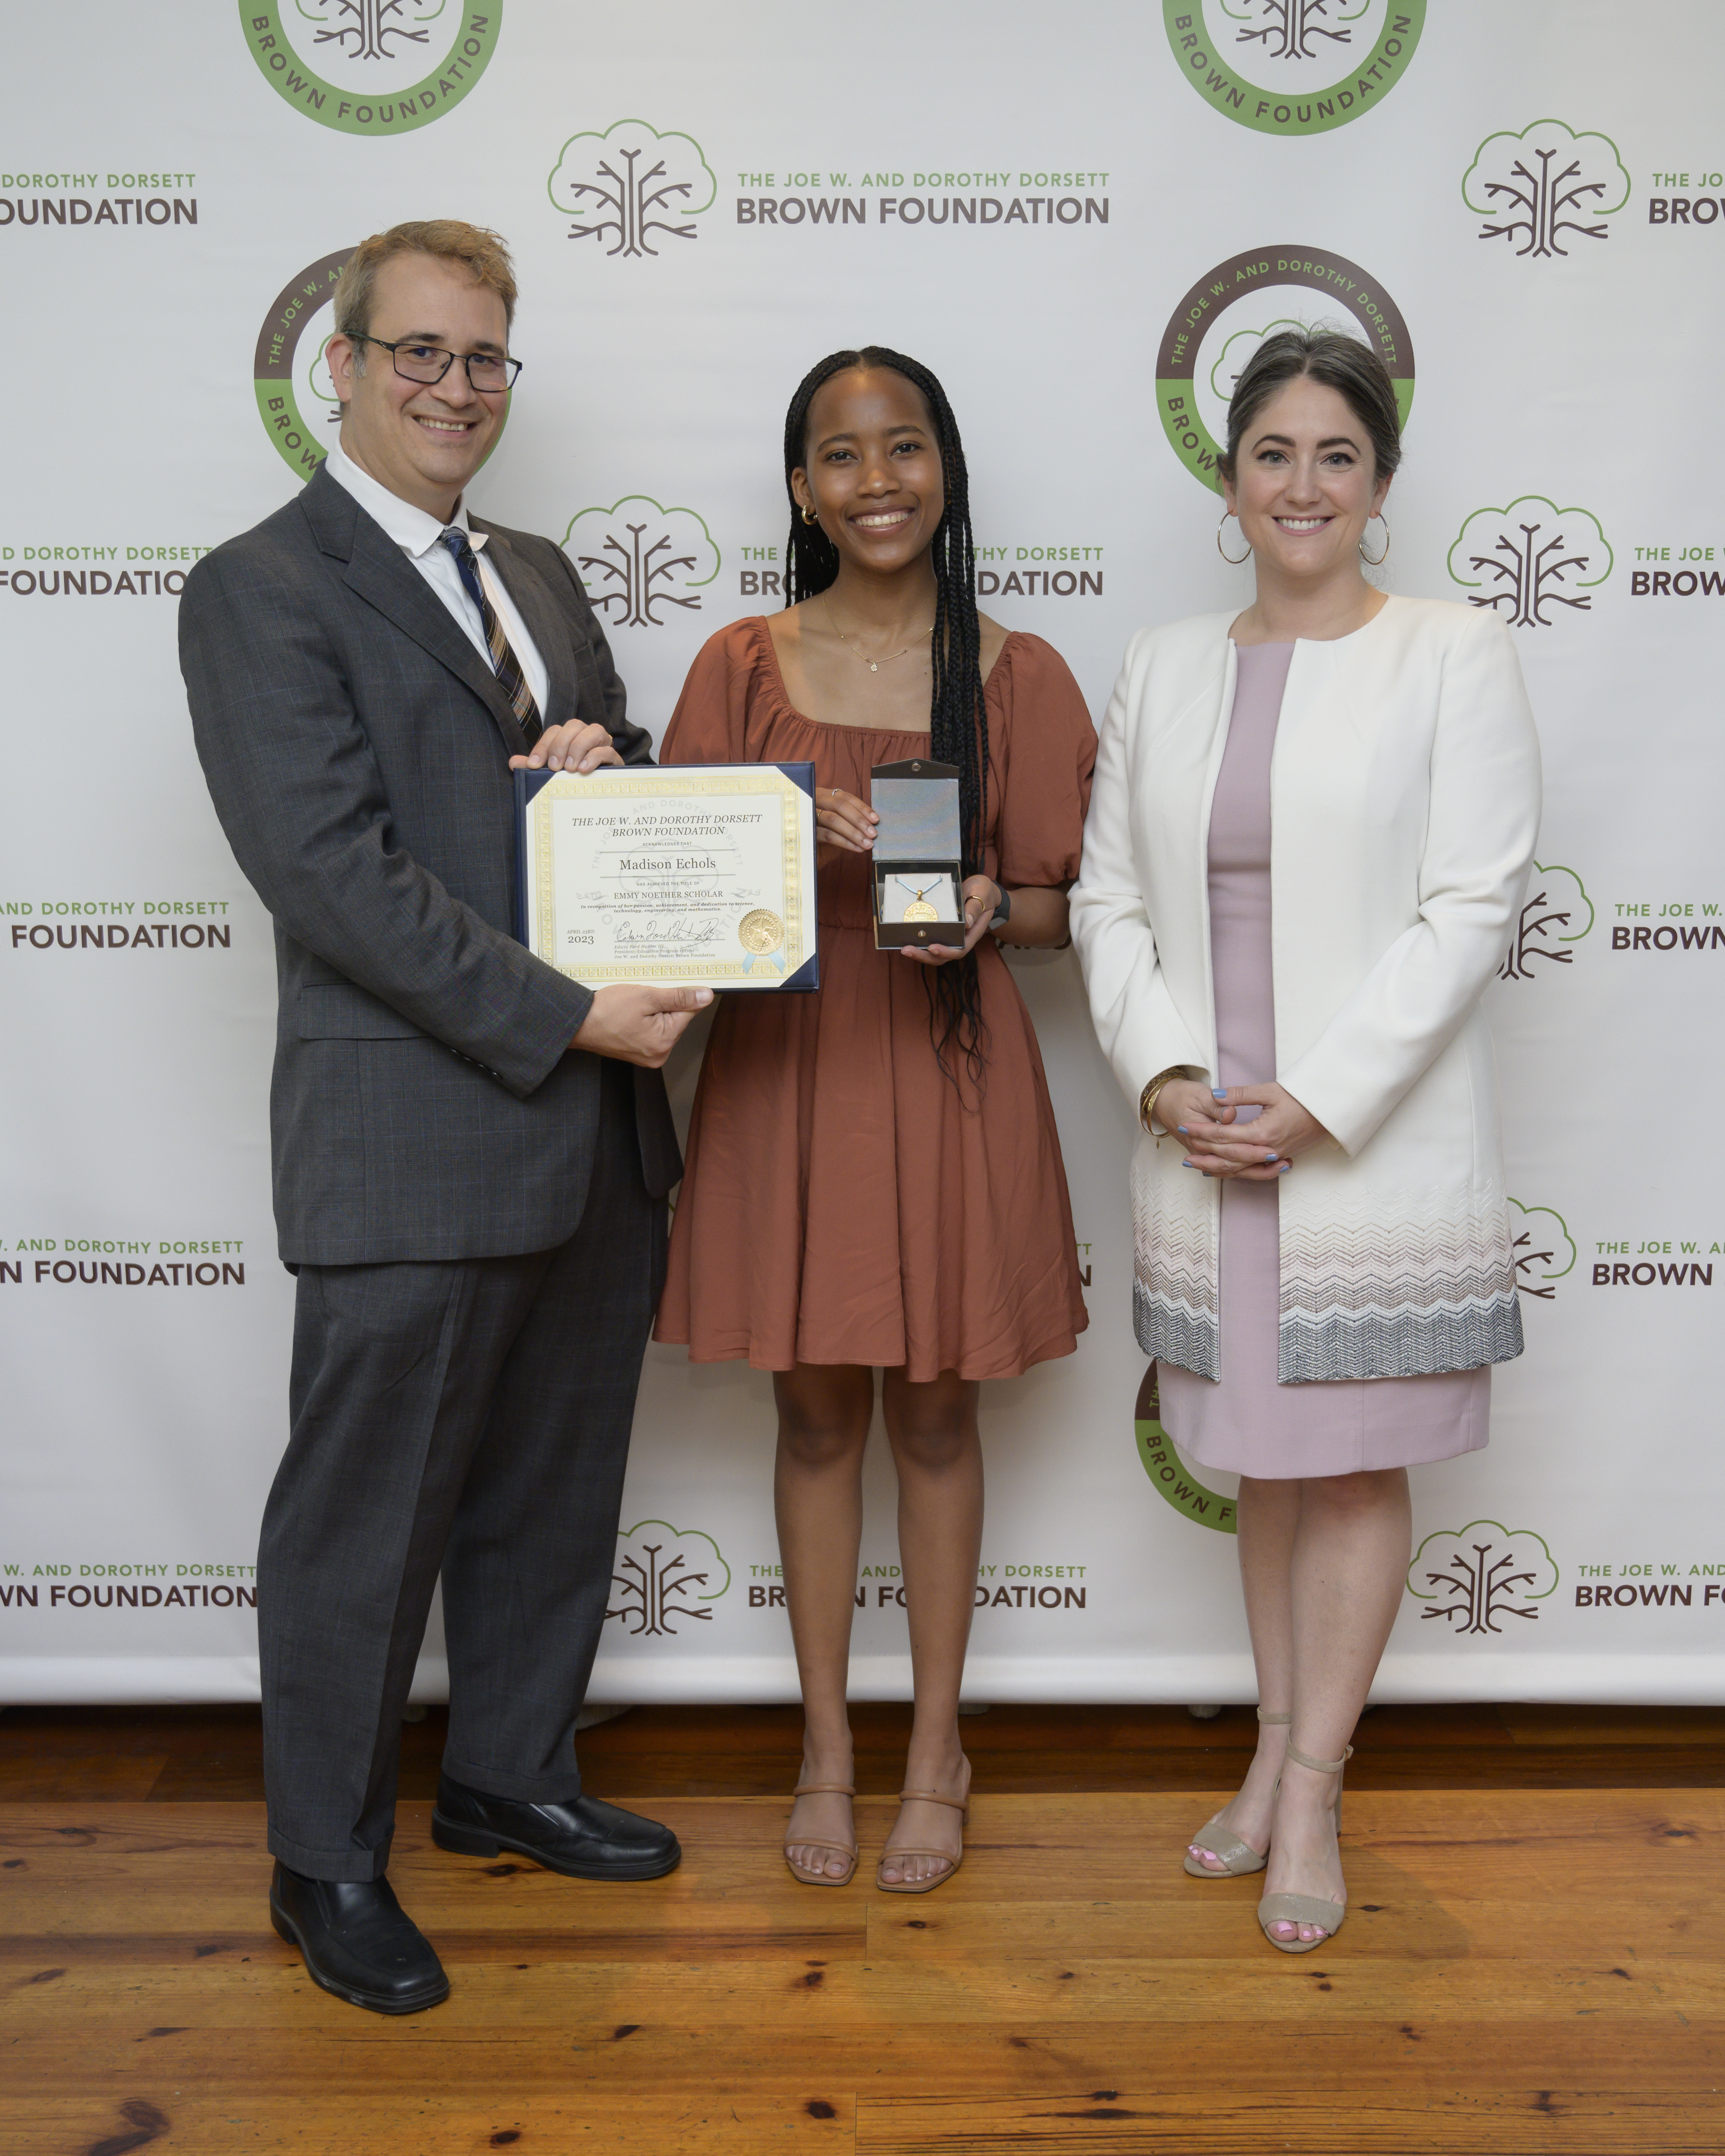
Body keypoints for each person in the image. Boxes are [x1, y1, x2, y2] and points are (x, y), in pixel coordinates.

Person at [179, 220, 711, 2015]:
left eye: (483, 356)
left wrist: (602, 764)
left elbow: (602, 787)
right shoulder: (261, 584)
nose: (452, 386)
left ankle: (509, 1770)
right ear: (339, 364)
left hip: (590, 1129)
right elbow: (331, 874)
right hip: (417, 1128)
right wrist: (574, 1012)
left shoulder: (541, 575)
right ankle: (323, 1855)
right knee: (364, 1511)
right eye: (417, 351)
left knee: (551, 1487)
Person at [1070, 328, 1540, 1952]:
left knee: (1347, 1476)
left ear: (1383, 485)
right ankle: (1271, 1753)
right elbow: (1108, 899)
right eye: (1274, 451)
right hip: (1205, 1138)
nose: (1304, 484)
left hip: (1362, 1144)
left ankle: (1318, 1788)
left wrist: (1323, 1096)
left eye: (1337, 455)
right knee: (1263, 1466)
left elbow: (1474, 901)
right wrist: (1165, 1076)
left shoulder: (1452, 652)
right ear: (1228, 481)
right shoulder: (1161, 664)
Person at [654, 347, 1095, 1893]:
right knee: (815, 1413)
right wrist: (777, 833)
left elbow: (1058, 902)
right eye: (842, 456)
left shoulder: (1017, 672)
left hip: (949, 1063)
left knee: (937, 1412)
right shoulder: (736, 664)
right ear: (801, 490)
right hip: (790, 1071)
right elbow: (679, 898)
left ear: (948, 471)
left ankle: (937, 1754)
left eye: (905, 448)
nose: (878, 480)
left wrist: (990, 907)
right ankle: (828, 1748)